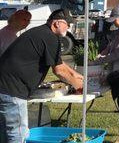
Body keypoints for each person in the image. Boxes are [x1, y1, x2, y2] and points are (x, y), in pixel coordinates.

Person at [0, 9, 83, 143]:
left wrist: (76, 75)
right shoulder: (50, 37)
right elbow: (59, 70)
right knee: (18, 133)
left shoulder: (41, 33)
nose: (69, 27)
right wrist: (79, 86)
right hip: (13, 90)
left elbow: (59, 62)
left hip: (4, 87)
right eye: (67, 24)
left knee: (5, 132)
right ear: (56, 23)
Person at [91, 6, 119, 143]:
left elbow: (117, 53)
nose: (113, 23)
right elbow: (112, 47)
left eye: (114, 20)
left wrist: (98, 60)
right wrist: (105, 51)